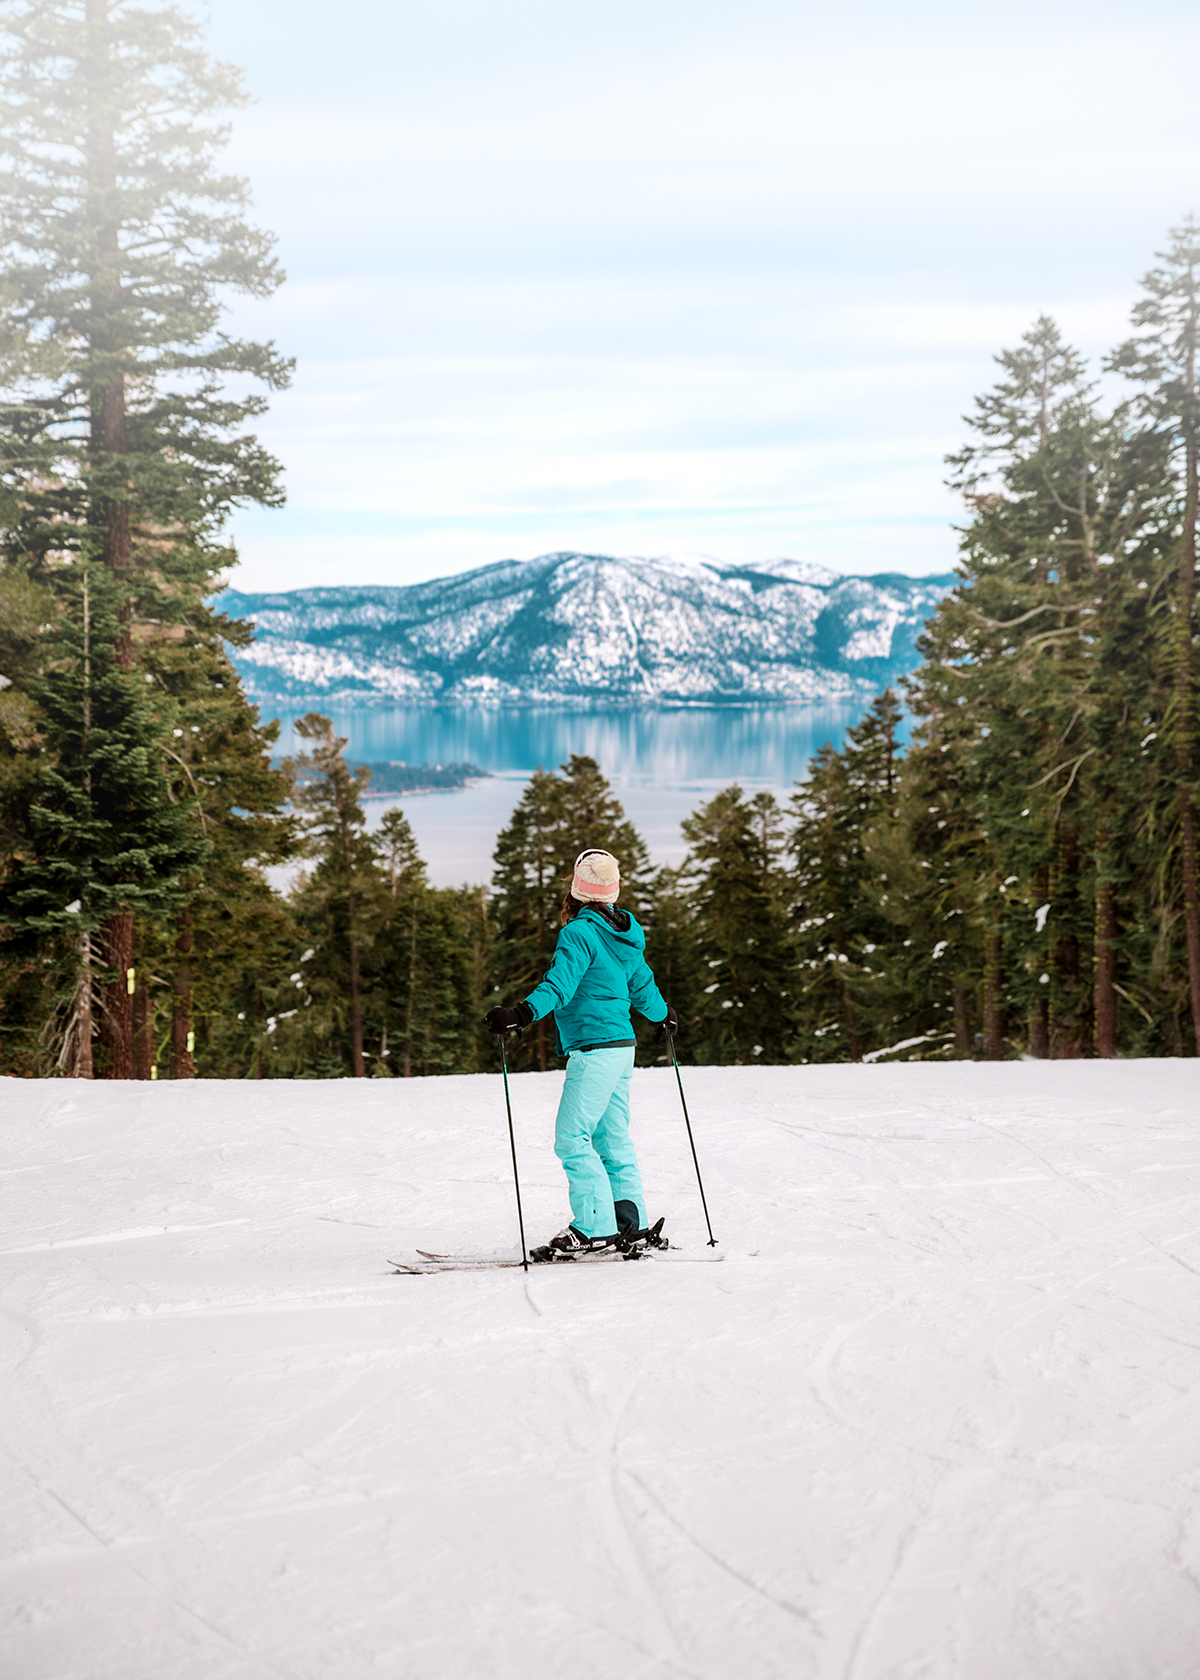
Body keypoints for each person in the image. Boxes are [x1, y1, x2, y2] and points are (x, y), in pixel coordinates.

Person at [485, 848, 678, 1258]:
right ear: (614, 890)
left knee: (572, 1137)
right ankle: (630, 1223)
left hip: (595, 1049)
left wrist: (520, 1015)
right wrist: (664, 1016)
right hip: (622, 1049)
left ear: (575, 889)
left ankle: (594, 1227)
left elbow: (559, 985)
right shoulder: (626, 934)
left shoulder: (579, 933)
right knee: (612, 1138)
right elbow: (643, 988)